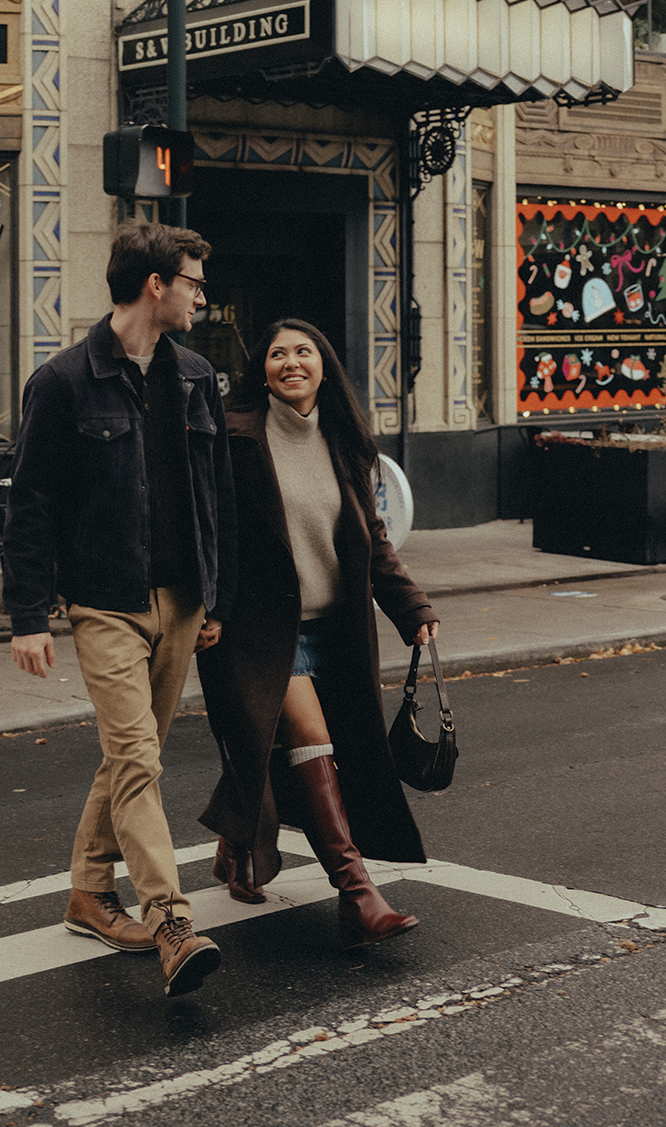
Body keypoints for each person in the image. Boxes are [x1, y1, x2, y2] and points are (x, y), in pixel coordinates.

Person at [3, 221, 236, 997]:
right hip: (105, 601)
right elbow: (32, 504)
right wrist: (28, 615)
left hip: (181, 599)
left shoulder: (198, 376)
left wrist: (215, 595)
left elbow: (217, 498)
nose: (204, 296)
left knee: (130, 756)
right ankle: (170, 919)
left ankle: (86, 891)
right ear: (156, 285)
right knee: (138, 758)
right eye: (195, 282)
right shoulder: (65, 380)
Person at [197, 318, 439, 949]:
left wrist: (411, 609)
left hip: (336, 629)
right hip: (260, 631)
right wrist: (209, 608)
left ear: (324, 364)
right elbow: (212, 532)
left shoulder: (344, 443)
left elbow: (373, 541)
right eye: (277, 354)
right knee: (312, 736)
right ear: (264, 370)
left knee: (266, 743)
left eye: (304, 351)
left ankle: (235, 843)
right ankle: (357, 892)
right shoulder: (238, 437)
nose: (291, 363)